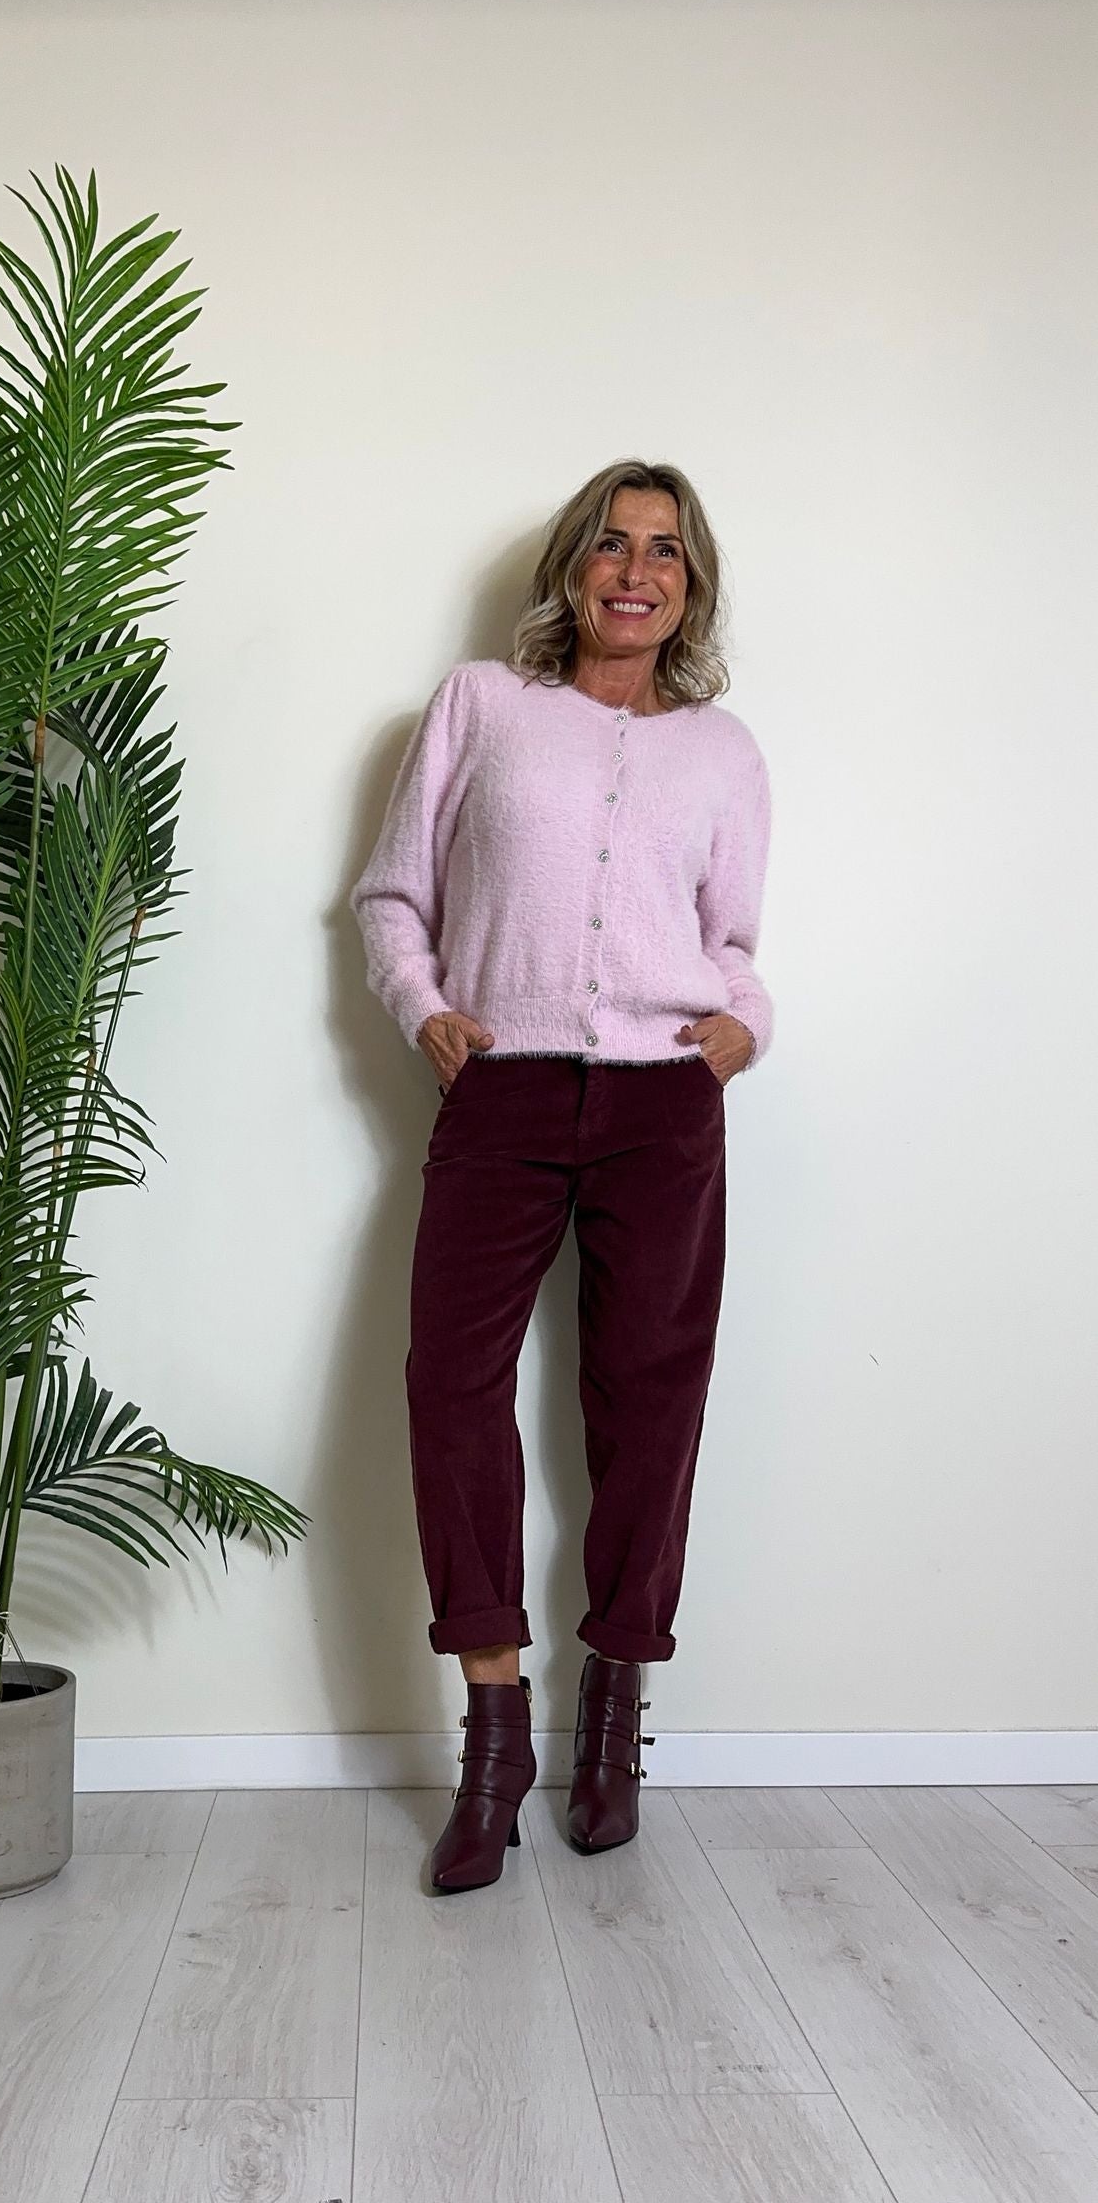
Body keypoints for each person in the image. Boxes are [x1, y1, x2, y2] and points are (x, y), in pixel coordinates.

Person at [350, 458, 773, 1892]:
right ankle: (494, 1735)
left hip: (666, 1101)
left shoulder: (723, 753)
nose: (636, 571)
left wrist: (743, 1028)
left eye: (665, 551)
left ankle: (612, 1718)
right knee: (450, 1384)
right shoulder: (481, 705)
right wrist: (426, 1009)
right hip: (503, 1087)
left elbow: (735, 944)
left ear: (690, 588)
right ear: (572, 569)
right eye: (612, 544)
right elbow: (392, 894)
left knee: (651, 1402)